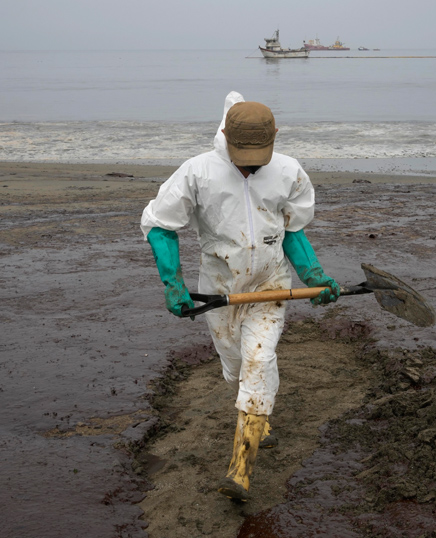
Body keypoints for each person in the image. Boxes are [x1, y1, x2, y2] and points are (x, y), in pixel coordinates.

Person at [139, 91, 340, 502]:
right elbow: (161, 225)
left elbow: (294, 231)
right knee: (236, 366)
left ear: (275, 139)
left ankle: (240, 472)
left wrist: (315, 276)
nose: (249, 163)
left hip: (270, 283)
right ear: (226, 137)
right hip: (220, 288)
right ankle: (258, 414)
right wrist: (172, 283)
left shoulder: (288, 172)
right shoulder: (198, 172)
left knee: (259, 359)